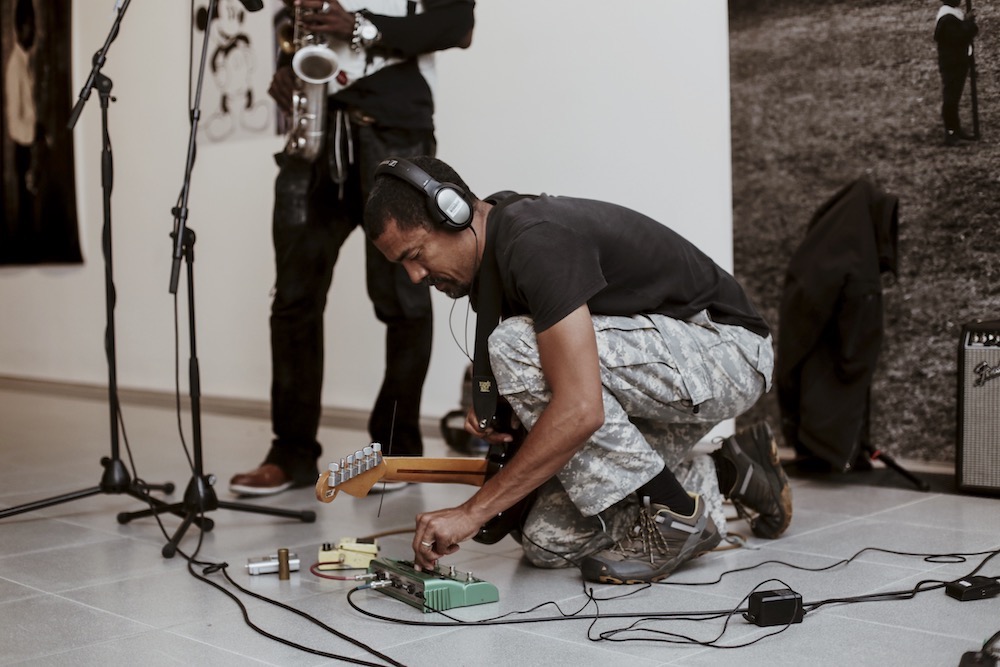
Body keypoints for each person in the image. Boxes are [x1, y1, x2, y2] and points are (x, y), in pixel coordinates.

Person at [363, 155, 793, 584]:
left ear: (453, 212)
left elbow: (581, 408)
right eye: (402, 265)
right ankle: (732, 473)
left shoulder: (536, 240)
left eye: (416, 254)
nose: (415, 275)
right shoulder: (493, 260)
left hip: (729, 352)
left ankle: (677, 515)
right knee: (547, 540)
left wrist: (472, 512)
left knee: (513, 346)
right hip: (670, 372)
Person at [230, 0, 475, 496]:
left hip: (393, 134)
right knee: (293, 300)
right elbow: (297, 32)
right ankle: (291, 452)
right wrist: (285, 71)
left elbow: (458, 24)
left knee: (403, 300)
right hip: (317, 134)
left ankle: (395, 448)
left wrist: (361, 25)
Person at [5, 0, 37, 234]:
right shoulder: (14, 66)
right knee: (27, 218)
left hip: (30, 147)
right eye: (28, 25)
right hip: (23, 149)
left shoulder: (25, 62)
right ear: (19, 27)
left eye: (33, 24)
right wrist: (31, 138)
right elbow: (14, 120)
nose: (32, 30)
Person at [934, 0, 979, 146]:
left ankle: (956, 128)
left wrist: (967, 22)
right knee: (951, 97)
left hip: (958, 62)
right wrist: (969, 23)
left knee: (955, 96)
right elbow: (959, 36)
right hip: (951, 64)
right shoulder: (946, 17)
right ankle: (951, 131)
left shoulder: (953, 14)